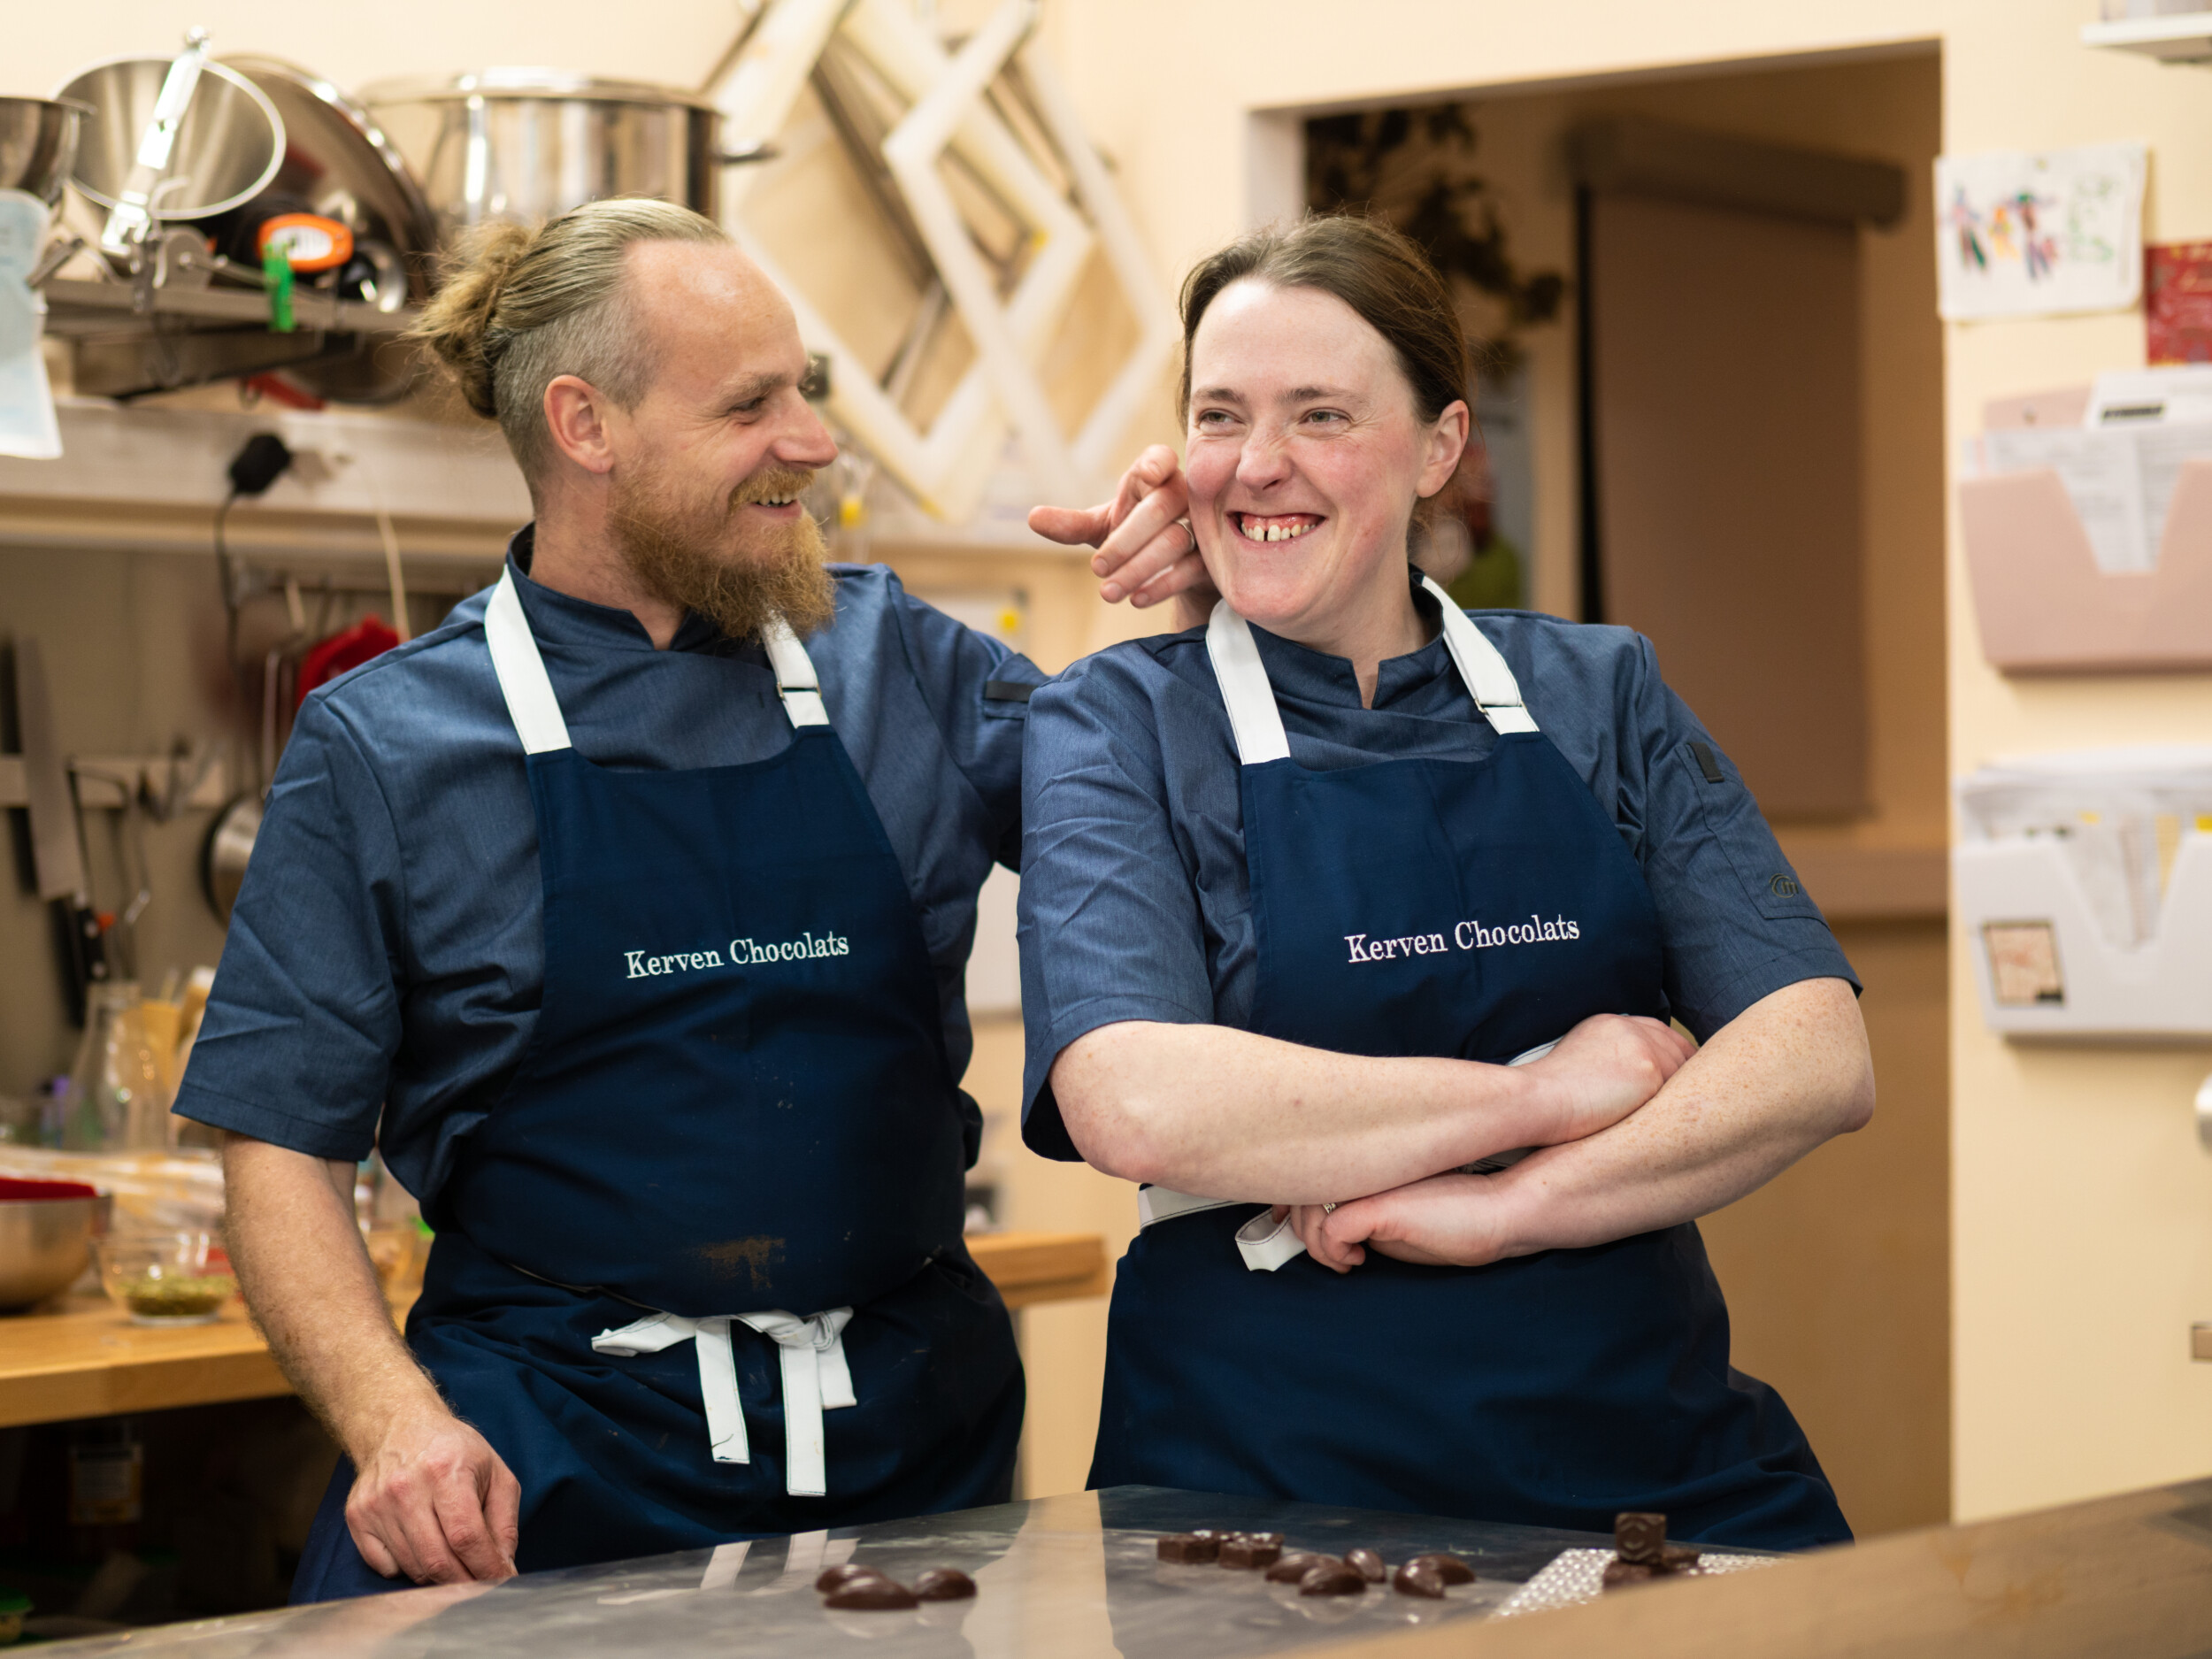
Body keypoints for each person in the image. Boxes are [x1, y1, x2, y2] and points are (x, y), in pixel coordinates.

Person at [175, 199, 1048, 1596]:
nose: (814, 442)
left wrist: (1227, 588)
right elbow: (278, 1144)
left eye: (804, 389)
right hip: (539, 1461)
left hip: (908, 1451)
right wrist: (395, 1425)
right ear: (587, 427)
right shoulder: (388, 747)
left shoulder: (906, 667)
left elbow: (1182, 833)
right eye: (752, 404)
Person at [1018, 215, 1874, 1550]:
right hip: (1261, 1495)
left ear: (1441, 447)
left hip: (1639, 1458)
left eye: (1321, 415)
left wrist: (1509, 1208)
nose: (1258, 465)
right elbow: (1133, 1099)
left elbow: (1816, 1051)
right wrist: (1543, 1094)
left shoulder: (1599, 692)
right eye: (1220, 416)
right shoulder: (1115, 723)